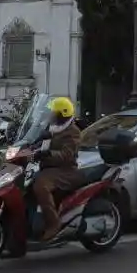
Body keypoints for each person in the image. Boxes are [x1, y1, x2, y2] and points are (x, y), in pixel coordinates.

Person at [32, 97, 83, 243]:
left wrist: (49, 154)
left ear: (62, 115)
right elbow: (39, 143)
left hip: (66, 171)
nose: (51, 115)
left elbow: (67, 155)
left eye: (54, 113)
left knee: (40, 184)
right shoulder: (51, 127)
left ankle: (53, 223)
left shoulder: (73, 131)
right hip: (49, 168)